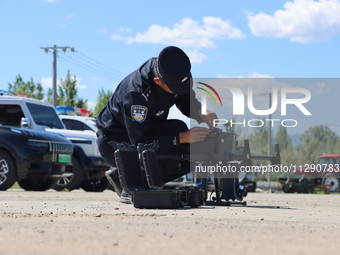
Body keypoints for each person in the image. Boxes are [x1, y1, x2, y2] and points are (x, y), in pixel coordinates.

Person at [96, 46, 217, 204]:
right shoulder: (136, 93)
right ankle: (132, 184)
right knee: (179, 135)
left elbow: (184, 98)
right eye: (174, 89)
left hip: (147, 131)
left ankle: (128, 177)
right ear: (157, 81)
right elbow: (141, 143)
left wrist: (201, 111)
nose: (177, 91)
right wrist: (181, 138)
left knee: (192, 147)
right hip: (117, 142)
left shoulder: (174, 71)